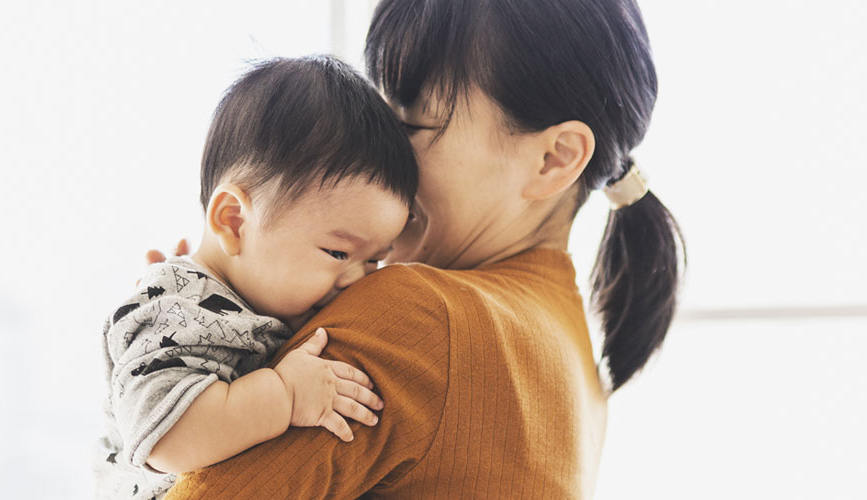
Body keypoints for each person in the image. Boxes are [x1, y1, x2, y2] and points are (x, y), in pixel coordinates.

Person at [164, 0, 684, 498]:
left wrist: (158, 361)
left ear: (554, 158)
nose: (376, 155)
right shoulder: (575, 359)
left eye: (411, 125)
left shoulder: (423, 317)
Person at [95, 56, 420, 500]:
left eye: (373, 261)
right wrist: (284, 393)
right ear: (233, 221)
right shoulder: (173, 308)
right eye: (338, 252)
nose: (357, 279)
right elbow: (168, 440)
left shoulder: (269, 301)